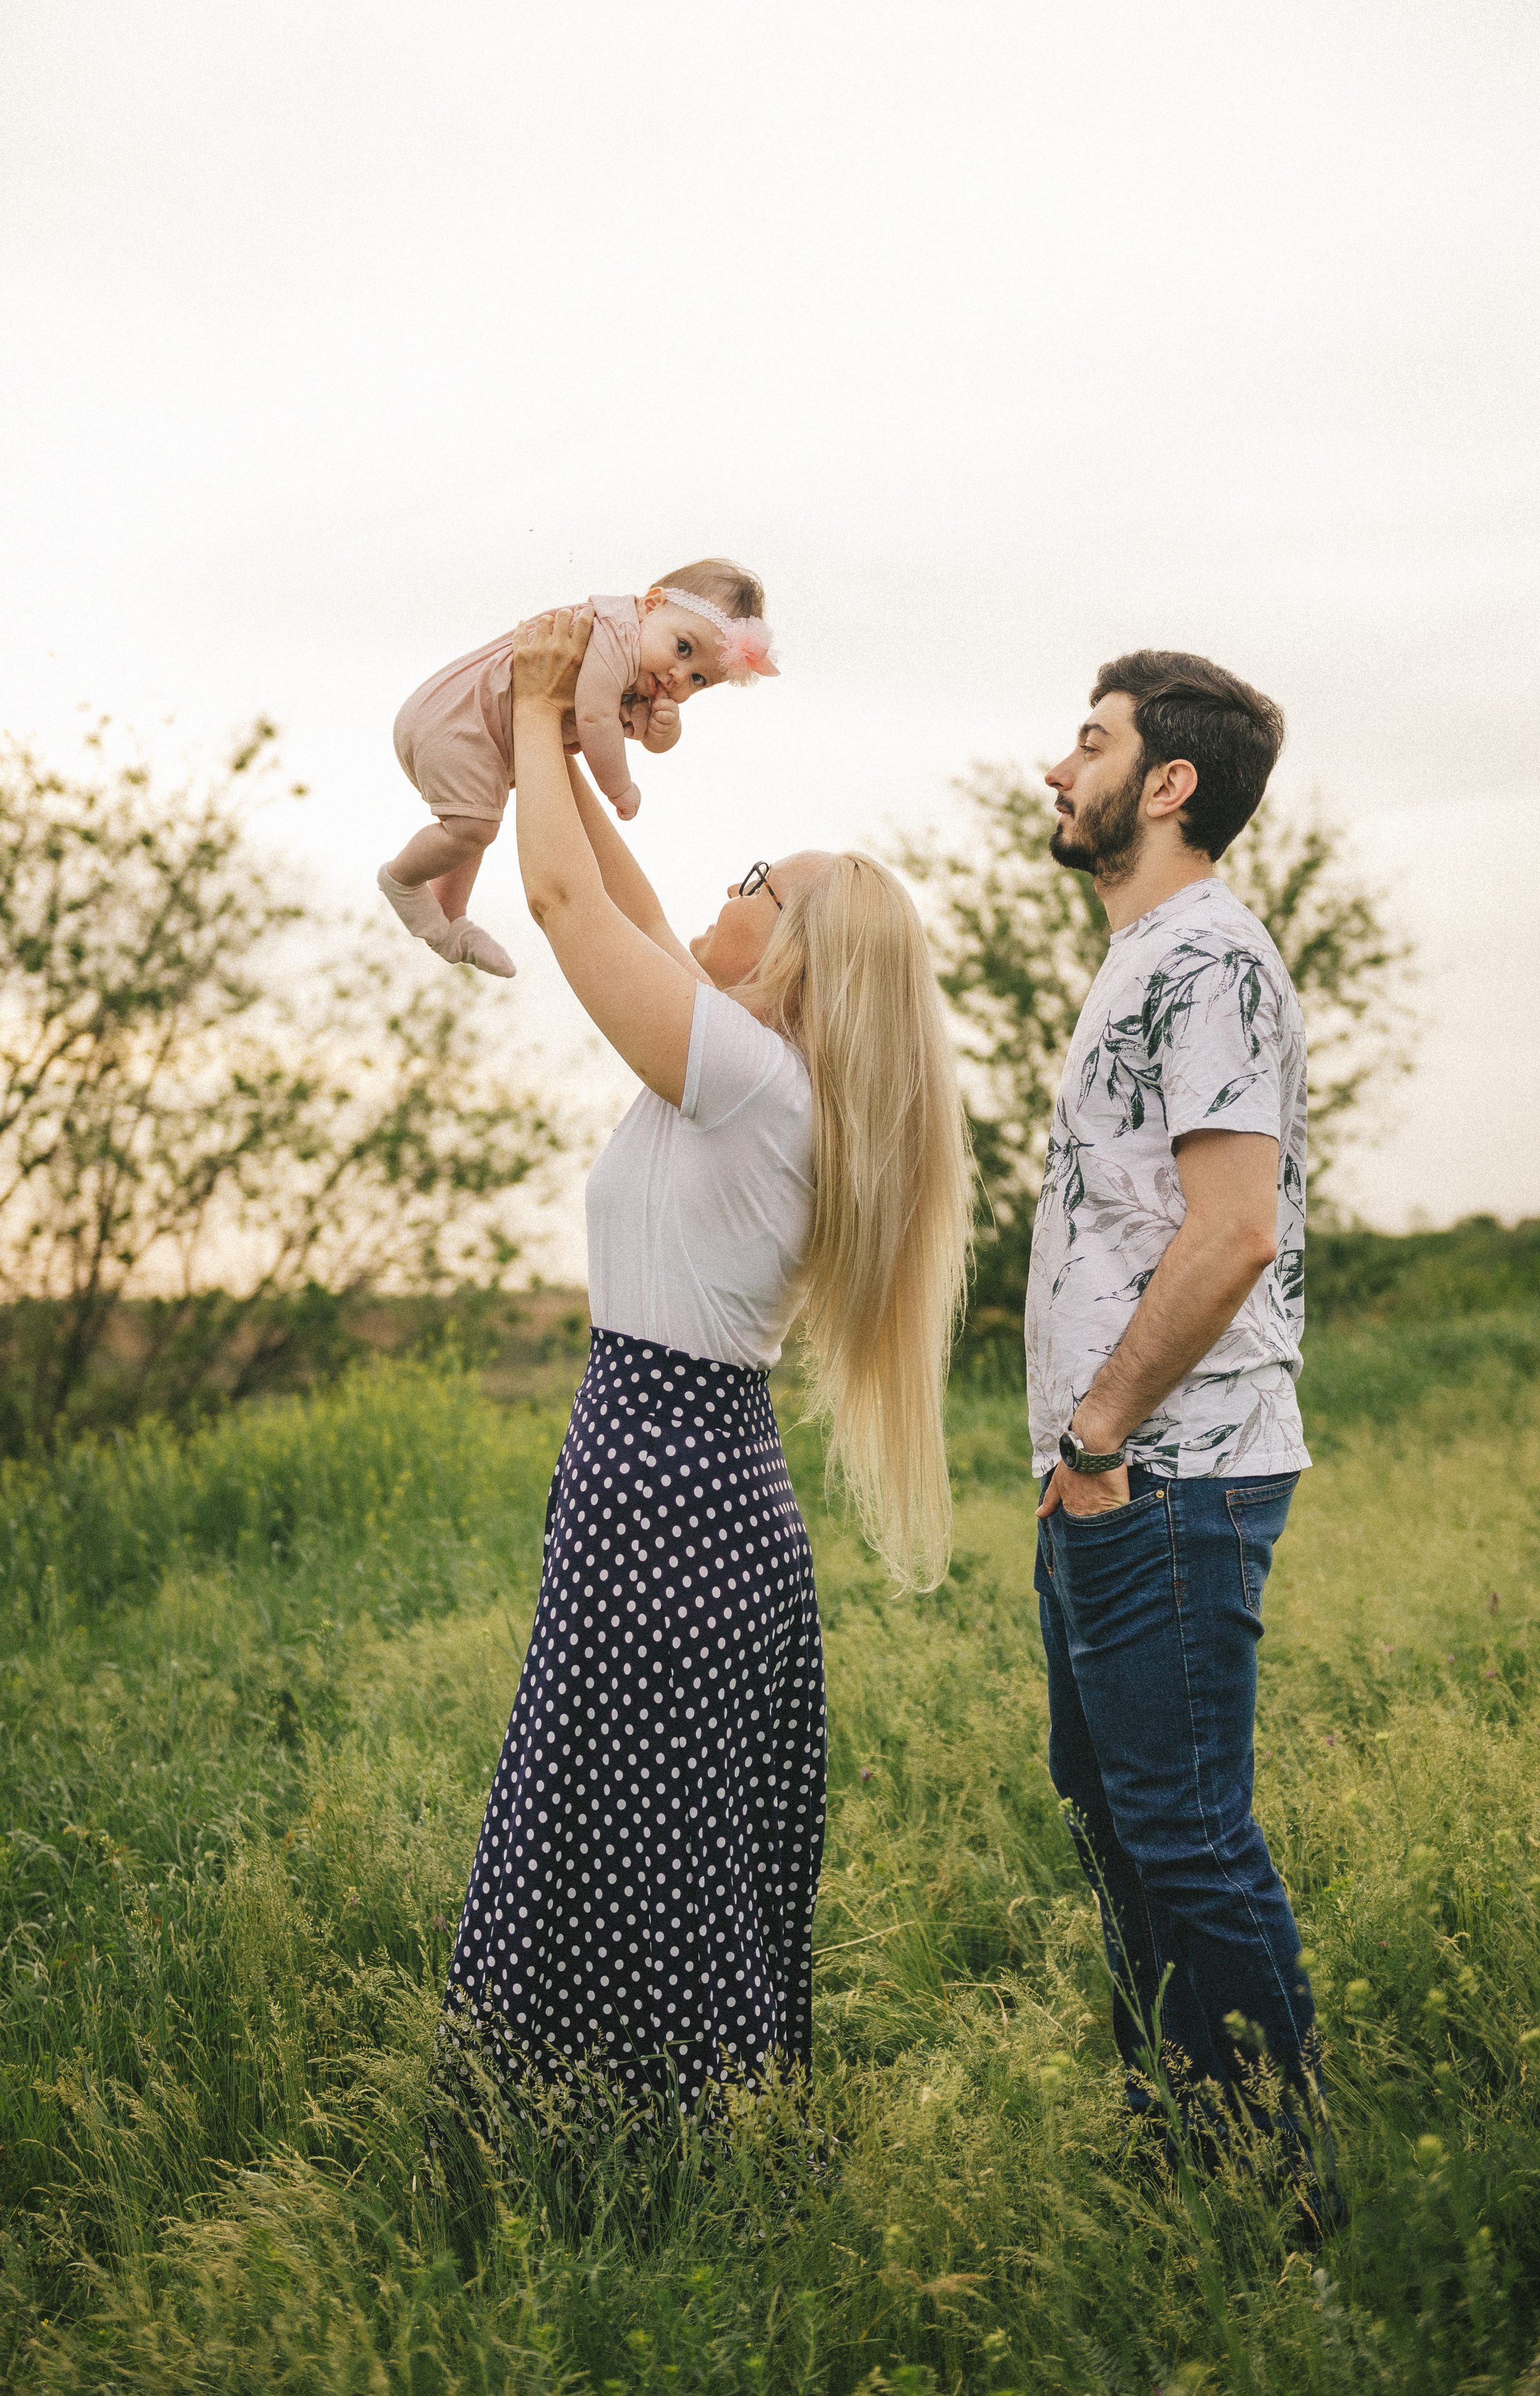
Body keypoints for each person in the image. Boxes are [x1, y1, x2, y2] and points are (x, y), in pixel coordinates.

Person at [439, 606, 970, 2135]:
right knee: (643, 1818)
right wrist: (589, 715)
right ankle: (661, 2133)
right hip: (691, 1474)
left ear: (794, 955)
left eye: (758, 882)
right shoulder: (746, 1064)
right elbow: (616, 885)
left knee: (624, 1818)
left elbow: (551, 895)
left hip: (663, 1476)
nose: (724, 889)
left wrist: (540, 699)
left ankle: (623, 2138)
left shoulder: (738, 1073)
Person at [1028, 649, 1328, 2181]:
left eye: (1087, 742)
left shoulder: (1204, 959)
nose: (1051, 770)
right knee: (1120, 1821)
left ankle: (1286, 2183)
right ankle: (1189, 2142)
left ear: (1165, 783)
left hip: (1166, 1473)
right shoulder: (1140, 956)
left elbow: (1231, 1230)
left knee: (1188, 1834)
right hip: (1109, 1474)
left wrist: (1095, 1434)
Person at [379, 559, 778, 977]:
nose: (680, 675)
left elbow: (635, 729)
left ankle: (449, 920)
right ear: (651, 606)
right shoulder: (612, 637)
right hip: (454, 724)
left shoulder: (642, 666)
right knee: (474, 829)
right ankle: (402, 880)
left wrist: (664, 730)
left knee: (478, 822)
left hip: (474, 738)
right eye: (683, 648)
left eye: (699, 679)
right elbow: (595, 720)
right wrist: (619, 787)